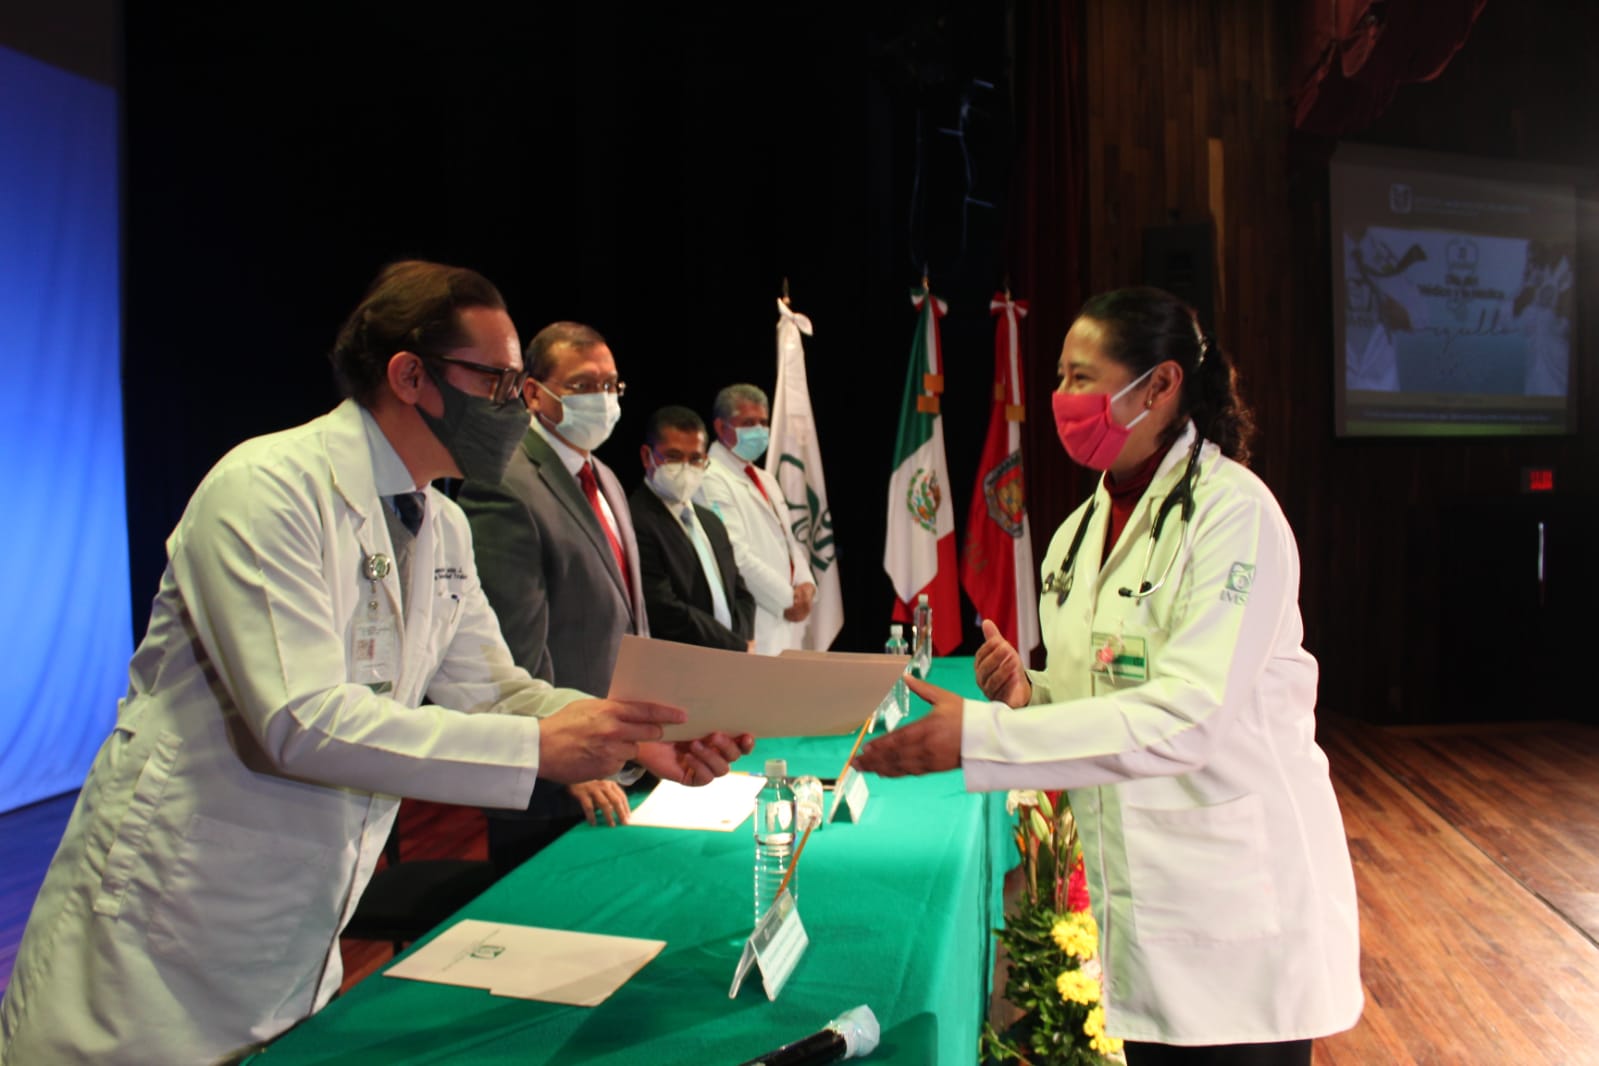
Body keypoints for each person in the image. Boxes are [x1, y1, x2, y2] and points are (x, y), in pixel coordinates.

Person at [0, 261, 751, 1066]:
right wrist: (541, 748)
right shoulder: (268, 488)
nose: (516, 407)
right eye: (498, 383)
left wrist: (632, 732)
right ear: (409, 376)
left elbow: (493, 689)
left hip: (296, 929)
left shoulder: (442, 524)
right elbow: (299, 720)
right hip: (166, 925)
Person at [854, 286, 1362, 1065]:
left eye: (1081, 378)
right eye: (1059, 377)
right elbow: (1098, 697)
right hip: (1145, 905)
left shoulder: (1234, 515)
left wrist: (982, 737)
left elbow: (1188, 717)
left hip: (1238, 909)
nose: (1060, 399)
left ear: (1159, 386)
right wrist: (1028, 696)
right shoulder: (1077, 533)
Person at [456, 321, 652, 871]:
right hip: (557, 783)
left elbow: (628, 618)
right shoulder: (502, 481)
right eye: (583, 385)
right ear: (534, 393)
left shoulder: (605, 477)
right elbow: (512, 647)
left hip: (622, 760)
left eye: (611, 385)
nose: (603, 399)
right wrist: (565, 761)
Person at [696, 383, 815, 654]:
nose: (759, 431)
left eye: (764, 422)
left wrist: (807, 584)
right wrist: (787, 599)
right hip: (754, 622)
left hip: (784, 621)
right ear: (721, 427)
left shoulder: (765, 478)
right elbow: (735, 554)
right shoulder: (709, 477)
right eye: (749, 423)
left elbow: (789, 541)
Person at [628, 405, 756, 650]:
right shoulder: (635, 519)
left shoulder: (710, 521)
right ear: (647, 456)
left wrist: (742, 641)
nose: (686, 468)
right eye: (674, 457)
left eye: (695, 459)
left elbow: (741, 593)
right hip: (678, 661)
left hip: (731, 659)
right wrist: (733, 645)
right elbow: (661, 607)